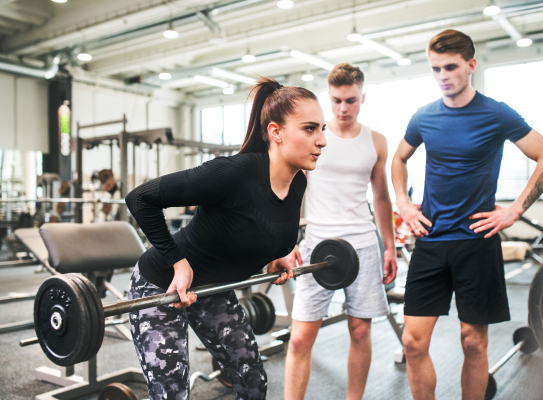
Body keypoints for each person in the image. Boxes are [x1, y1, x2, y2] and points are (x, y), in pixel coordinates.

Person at [125, 78, 326, 400]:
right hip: (161, 285)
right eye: (310, 129)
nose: (322, 140)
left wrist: (281, 250)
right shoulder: (233, 173)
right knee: (172, 395)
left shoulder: (298, 182)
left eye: (322, 129)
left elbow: (260, 224)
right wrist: (178, 263)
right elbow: (140, 198)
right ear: (276, 132)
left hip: (210, 291)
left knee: (253, 382)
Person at [391, 29, 543, 400]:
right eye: (435, 69)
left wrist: (515, 210)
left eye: (450, 67)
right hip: (431, 242)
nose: (443, 76)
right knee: (413, 342)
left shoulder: (496, 113)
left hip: (477, 243)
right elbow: (398, 159)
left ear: (470, 65)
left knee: (473, 343)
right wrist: (403, 204)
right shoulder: (424, 117)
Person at [284, 63, 398, 400]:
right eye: (336, 101)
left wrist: (389, 247)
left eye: (350, 100)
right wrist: (287, 241)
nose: (343, 108)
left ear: (363, 97)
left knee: (360, 332)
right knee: (301, 337)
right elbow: (291, 193)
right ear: (328, 98)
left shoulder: (376, 141)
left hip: (363, 244)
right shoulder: (314, 136)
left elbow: (380, 197)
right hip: (317, 243)